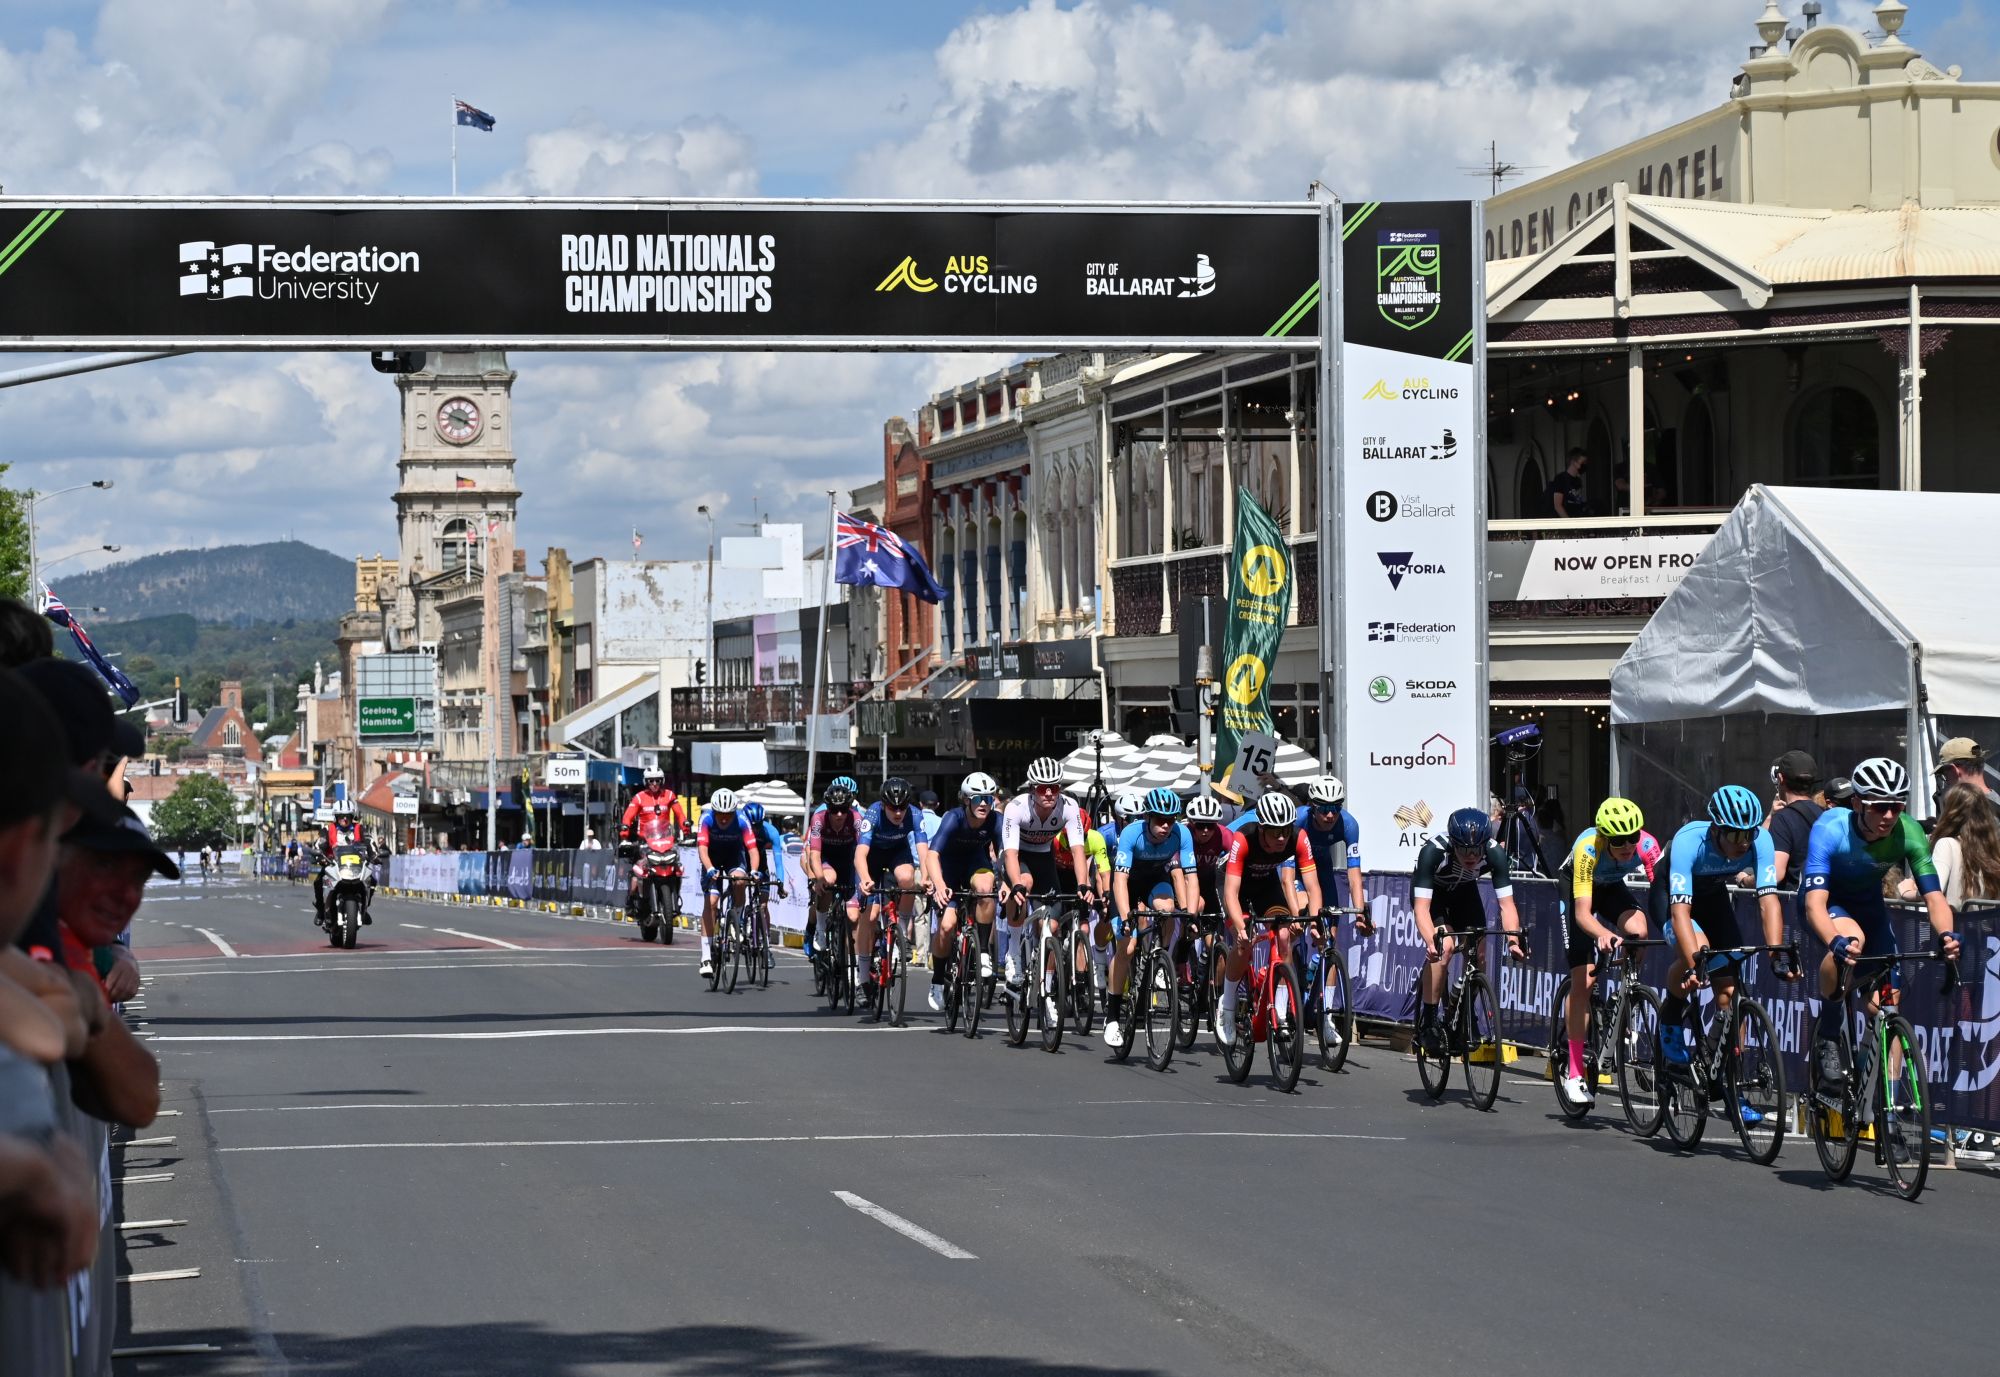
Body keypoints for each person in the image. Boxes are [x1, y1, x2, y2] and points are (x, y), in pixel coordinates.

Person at [1803, 758, 1959, 1086]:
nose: (1889, 815)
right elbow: (1814, 904)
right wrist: (1835, 941)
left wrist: (1946, 934)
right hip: (1829, 904)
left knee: (1885, 1008)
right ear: (1858, 802)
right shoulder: (1831, 828)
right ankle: (1829, 1033)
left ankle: (1865, 1085)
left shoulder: (1909, 832)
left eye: (1897, 805)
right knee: (1852, 940)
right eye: (1879, 807)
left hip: (1870, 908)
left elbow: (1935, 898)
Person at [1651, 785, 1796, 1086]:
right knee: (1699, 950)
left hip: (1713, 896)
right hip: (1672, 897)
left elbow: (1768, 901)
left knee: (1729, 993)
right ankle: (1672, 1015)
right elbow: (1680, 913)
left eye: (1748, 834)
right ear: (1716, 829)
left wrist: (1776, 954)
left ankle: (1726, 1079)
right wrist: (1693, 964)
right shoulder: (1690, 840)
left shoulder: (1762, 841)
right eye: (1734, 835)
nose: (1743, 842)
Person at [1555, 798, 1661, 1105]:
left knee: (1639, 931)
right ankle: (1574, 1073)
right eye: (1619, 841)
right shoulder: (1588, 847)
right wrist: (1603, 934)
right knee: (1584, 981)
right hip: (1577, 890)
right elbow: (1583, 916)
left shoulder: (1647, 845)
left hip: (1612, 886)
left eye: (1633, 837)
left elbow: (1663, 894)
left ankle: (1625, 995)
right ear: (1605, 837)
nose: (1628, 846)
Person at [1410, 808, 1526, 1057]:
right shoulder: (1433, 851)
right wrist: (1431, 942)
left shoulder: (1495, 853)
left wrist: (1514, 940)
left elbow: (1507, 905)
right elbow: (1421, 909)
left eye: (1476, 849)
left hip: (1465, 892)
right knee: (1446, 948)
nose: (1471, 855)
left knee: (1480, 954)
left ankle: (1463, 1012)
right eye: (1464, 849)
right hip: (1436, 896)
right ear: (1453, 843)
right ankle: (1429, 1022)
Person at [1214, 791, 1317, 1047]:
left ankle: (1280, 1013)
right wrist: (1240, 928)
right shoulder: (1244, 838)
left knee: (1283, 934)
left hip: (1265, 884)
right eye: (1274, 832)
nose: (1282, 837)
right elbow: (1230, 893)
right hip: (1233, 883)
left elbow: (1313, 887)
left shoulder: (1299, 837)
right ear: (1262, 828)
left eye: (1285, 830)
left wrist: (1314, 921)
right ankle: (1227, 1006)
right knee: (1244, 942)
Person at [1104, 788, 1197, 1050]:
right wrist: (1125, 918)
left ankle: (1159, 959)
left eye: (1171, 820)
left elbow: (1191, 877)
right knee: (1128, 945)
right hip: (1128, 885)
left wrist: (1190, 913)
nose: (1166, 826)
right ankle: (1112, 1017)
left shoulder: (1182, 833)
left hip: (1155, 880)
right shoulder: (1132, 833)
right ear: (1148, 817)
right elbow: (1119, 881)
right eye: (1159, 820)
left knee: (1168, 909)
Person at [997, 758, 1090, 992]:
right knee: (1024, 884)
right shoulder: (1016, 808)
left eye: (1054, 788)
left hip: (1043, 857)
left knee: (1053, 926)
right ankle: (1014, 953)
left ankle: (1047, 988)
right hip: (1017, 857)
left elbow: (1079, 850)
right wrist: (1016, 884)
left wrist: (1083, 884)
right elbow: (1010, 853)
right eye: (1042, 788)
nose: (1049, 793)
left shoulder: (1068, 806)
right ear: (1032, 789)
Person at [924, 773, 1005, 1012]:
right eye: (978, 798)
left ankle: (982, 954)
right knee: (947, 927)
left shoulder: (995, 820)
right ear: (966, 800)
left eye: (988, 799)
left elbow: (1003, 855)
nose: (983, 804)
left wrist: (1008, 883)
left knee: (985, 889)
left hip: (974, 863)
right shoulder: (953, 818)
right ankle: (938, 980)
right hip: (948, 869)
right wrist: (939, 886)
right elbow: (932, 855)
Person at [853, 779, 922, 978]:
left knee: (908, 879)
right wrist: (865, 879)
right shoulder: (873, 814)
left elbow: (923, 851)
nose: (898, 813)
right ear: (884, 805)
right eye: (893, 808)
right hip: (872, 856)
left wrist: (926, 877)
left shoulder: (915, 814)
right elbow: (860, 855)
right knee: (870, 916)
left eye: (902, 807)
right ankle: (863, 976)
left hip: (897, 854)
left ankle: (901, 936)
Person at [1899, 783, 2000, 908]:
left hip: (1955, 925)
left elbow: (1934, 891)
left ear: (1950, 812)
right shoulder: (1993, 847)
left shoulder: (1947, 844)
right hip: (1989, 926)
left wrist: (1906, 892)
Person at [694, 788, 759, 980]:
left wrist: (754, 871)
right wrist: (710, 868)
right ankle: (706, 957)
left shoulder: (741, 819)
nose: (723, 819)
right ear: (714, 811)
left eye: (727, 815)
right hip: (711, 858)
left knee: (740, 881)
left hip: (733, 856)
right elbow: (702, 849)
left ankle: (736, 919)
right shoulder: (706, 819)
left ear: (734, 812)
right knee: (712, 902)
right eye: (720, 815)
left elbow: (752, 849)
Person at [804, 777, 867, 968]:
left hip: (848, 861)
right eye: (834, 810)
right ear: (827, 808)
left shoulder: (857, 818)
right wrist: (817, 879)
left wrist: (865, 877)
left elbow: (864, 849)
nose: (839, 814)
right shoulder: (818, 818)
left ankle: (853, 964)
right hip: (826, 859)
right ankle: (821, 929)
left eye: (843, 810)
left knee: (854, 916)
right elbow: (813, 853)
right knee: (828, 880)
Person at [619, 768, 684, 918]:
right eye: (651, 781)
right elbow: (627, 817)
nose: (654, 784)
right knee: (638, 873)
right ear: (646, 782)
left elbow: (680, 814)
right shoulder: (639, 798)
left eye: (657, 780)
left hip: (665, 841)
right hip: (644, 843)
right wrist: (624, 834)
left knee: (677, 868)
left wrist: (686, 830)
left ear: (662, 781)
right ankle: (631, 900)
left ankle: (674, 899)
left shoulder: (669, 795)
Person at [1766, 750, 1824, 888]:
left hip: (1792, 905)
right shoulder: (1825, 815)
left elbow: (1775, 874)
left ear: (1780, 778)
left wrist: (1745, 880)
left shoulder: (1782, 819)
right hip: (1823, 903)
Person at [312, 801, 368, 928]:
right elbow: (319, 844)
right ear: (336, 817)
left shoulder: (360, 828)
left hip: (356, 866)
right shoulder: (328, 829)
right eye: (341, 816)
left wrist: (375, 855)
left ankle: (365, 909)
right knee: (318, 882)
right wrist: (319, 854)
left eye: (347, 816)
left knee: (372, 880)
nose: (344, 819)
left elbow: (370, 843)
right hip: (333, 865)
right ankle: (321, 912)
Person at [1934, 738, 2000, 827]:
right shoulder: (1995, 805)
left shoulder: (1971, 812)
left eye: (1945, 775)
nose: (1947, 782)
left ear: (1954, 770)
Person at [1547, 447, 1590, 517]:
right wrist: (1569, 524)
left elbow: (1577, 501)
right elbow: (1558, 505)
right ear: (1573, 462)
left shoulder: (1578, 481)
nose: (1584, 465)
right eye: (1582, 462)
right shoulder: (1561, 479)